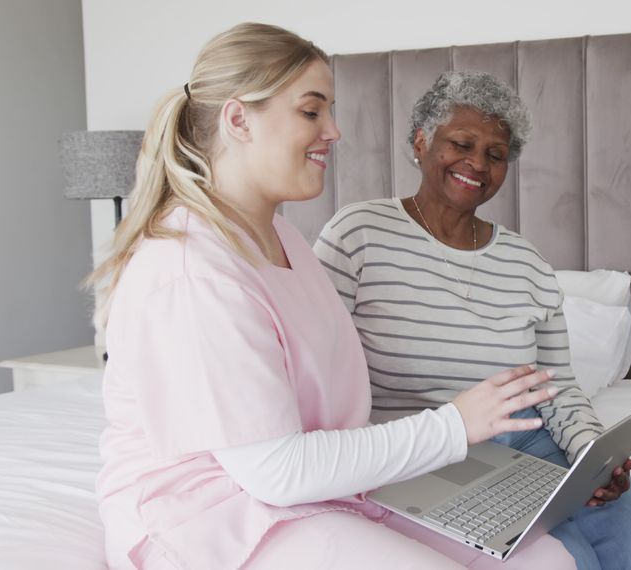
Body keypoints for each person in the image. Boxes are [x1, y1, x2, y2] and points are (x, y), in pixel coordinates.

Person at [91, 23, 576, 569]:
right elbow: (274, 469)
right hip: (214, 514)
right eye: (311, 111)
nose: (334, 131)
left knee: (549, 559)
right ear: (238, 119)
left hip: (318, 487)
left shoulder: (286, 240)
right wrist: (455, 424)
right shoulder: (192, 269)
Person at [314, 70, 631, 570]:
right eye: (461, 143)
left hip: (530, 441)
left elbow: (559, 386)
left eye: (496, 155)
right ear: (420, 142)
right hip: (422, 451)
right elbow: (317, 366)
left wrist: (594, 456)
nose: (477, 164)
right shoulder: (358, 233)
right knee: (574, 561)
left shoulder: (526, 261)